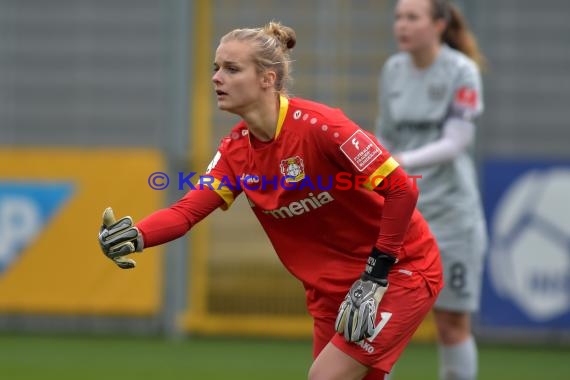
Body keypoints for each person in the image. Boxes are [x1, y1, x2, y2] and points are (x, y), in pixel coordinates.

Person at [98, 21, 442, 380]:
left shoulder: (323, 127)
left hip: (398, 271)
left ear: (268, 78)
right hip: (330, 292)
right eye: (216, 68)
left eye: (232, 69)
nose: (217, 78)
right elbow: (186, 213)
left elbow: (403, 189)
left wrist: (375, 275)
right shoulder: (234, 151)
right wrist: (136, 236)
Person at [375, 1, 487, 379]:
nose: (401, 26)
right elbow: (383, 136)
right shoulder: (392, 70)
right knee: (380, 318)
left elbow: (457, 141)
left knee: (451, 322)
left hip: (452, 214)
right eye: (398, 18)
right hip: (403, 213)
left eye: (412, 18)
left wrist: (399, 162)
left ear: (439, 25)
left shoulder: (462, 71)